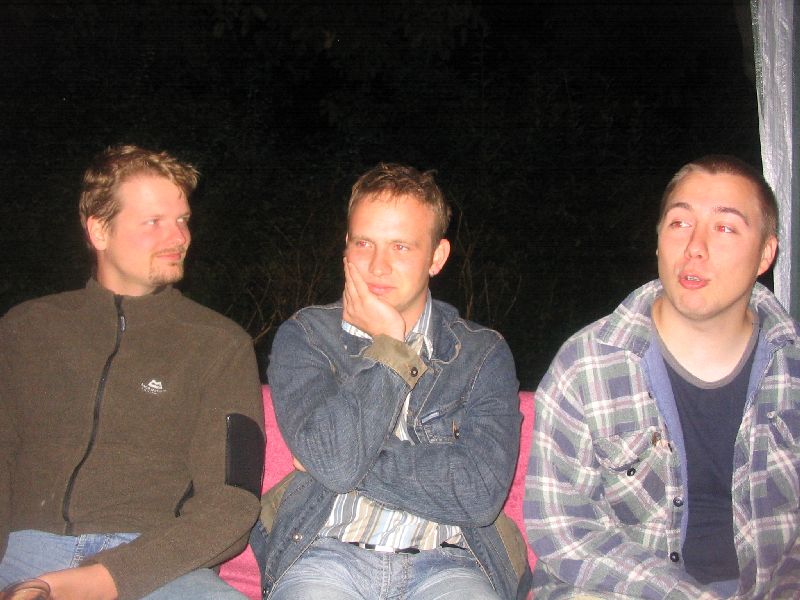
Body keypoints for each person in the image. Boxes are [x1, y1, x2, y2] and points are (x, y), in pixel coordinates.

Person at [250, 163, 531, 599]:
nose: (377, 266)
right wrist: (391, 351)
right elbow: (335, 463)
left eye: (400, 246)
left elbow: (478, 496)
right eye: (364, 243)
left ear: (436, 257)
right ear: (346, 247)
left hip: (452, 563)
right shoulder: (307, 337)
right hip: (324, 554)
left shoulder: (481, 354)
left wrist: (340, 458)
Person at [525, 155, 799, 599]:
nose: (695, 246)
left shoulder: (792, 367)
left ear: (765, 254)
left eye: (725, 227)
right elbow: (564, 530)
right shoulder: (586, 365)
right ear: (657, 242)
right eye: (679, 223)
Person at [0, 145, 265, 600]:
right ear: (99, 231)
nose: (179, 236)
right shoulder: (26, 329)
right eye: (154, 221)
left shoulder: (220, 344)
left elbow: (231, 504)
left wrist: (101, 580)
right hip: (21, 551)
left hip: (153, 564)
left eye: (182, 220)